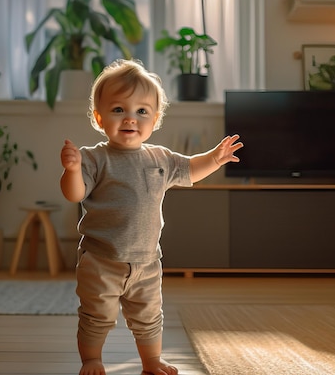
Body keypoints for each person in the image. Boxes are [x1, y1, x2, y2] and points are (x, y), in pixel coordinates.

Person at [60, 59, 243, 375]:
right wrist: (72, 170)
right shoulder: (95, 158)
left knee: (149, 316)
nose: (131, 118)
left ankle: (150, 361)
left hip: (147, 261)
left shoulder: (161, 158)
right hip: (102, 260)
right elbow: (74, 194)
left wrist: (214, 159)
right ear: (99, 117)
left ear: (155, 119)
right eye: (119, 110)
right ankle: (92, 360)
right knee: (96, 315)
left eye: (142, 111)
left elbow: (191, 170)